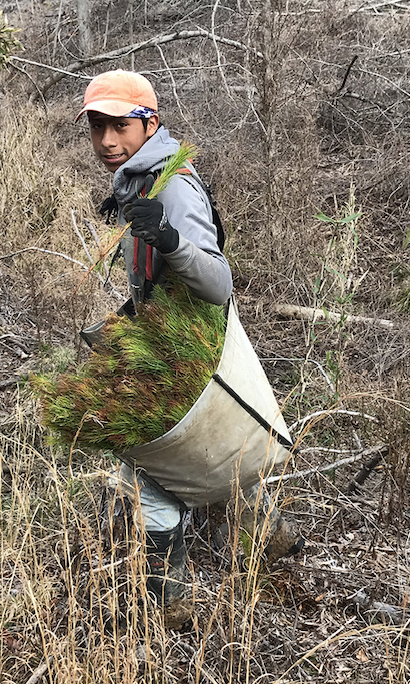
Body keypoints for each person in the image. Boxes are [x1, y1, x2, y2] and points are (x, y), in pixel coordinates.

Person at [76, 70, 301, 623]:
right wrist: (132, 314)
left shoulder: (171, 186)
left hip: (196, 349)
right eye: (98, 126)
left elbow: (217, 282)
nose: (108, 140)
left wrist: (171, 240)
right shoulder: (139, 177)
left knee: (150, 469)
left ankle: (173, 604)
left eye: (121, 126)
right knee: (221, 449)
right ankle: (269, 538)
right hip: (180, 340)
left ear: (150, 123)